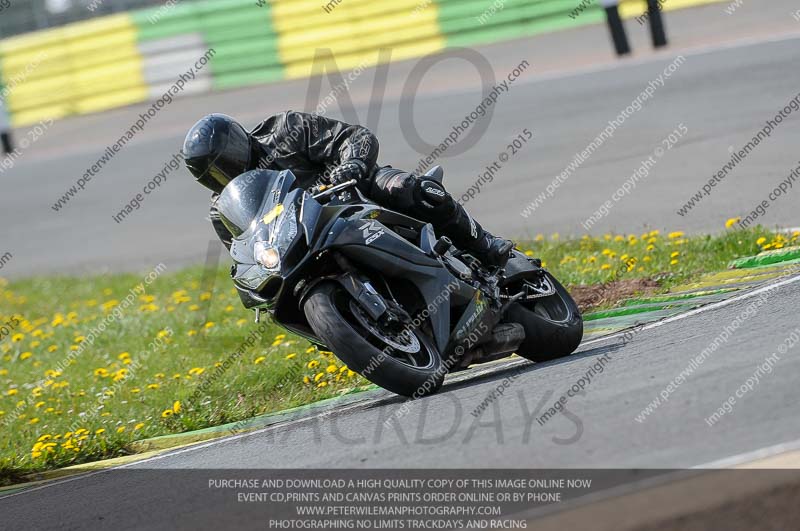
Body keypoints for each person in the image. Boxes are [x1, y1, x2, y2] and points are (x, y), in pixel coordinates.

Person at [183, 112, 513, 266]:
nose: (225, 175)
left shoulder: (285, 130)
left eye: (225, 162)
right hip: (308, 241)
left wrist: (351, 165)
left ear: (237, 143)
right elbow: (244, 253)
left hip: (355, 193)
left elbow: (356, 137)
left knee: (410, 189)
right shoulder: (223, 209)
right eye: (215, 175)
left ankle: (483, 243)